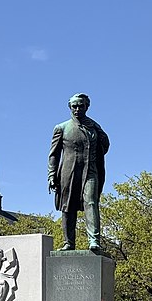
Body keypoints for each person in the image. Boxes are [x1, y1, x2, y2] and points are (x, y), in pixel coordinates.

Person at [48, 93, 110, 252]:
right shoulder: (61, 128)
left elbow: (105, 146)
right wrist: (51, 175)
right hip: (68, 172)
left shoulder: (94, 127)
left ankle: (94, 241)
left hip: (90, 170)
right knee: (67, 207)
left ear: (86, 107)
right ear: (70, 107)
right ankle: (69, 243)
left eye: (80, 106)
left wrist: (97, 129)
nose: (77, 109)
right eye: (74, 106)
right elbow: (54, 154)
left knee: (91, 202)